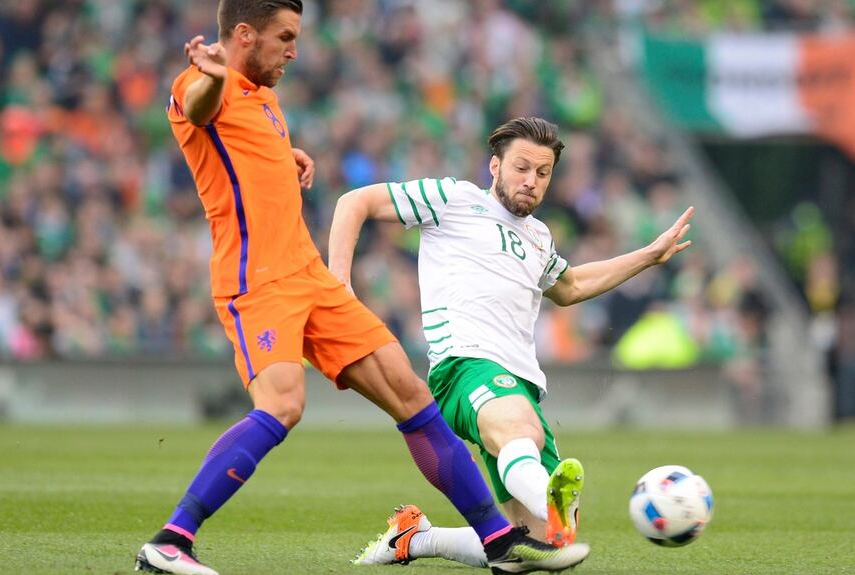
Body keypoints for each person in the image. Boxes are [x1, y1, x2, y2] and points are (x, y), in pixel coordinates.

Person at [135, 4, 589, 574]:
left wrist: (286, 158)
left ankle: (500, 540)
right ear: (243, 35)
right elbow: (198, 111)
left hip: (309, 273)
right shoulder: (201, 82)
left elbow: (244, 151)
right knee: (282, 406)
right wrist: (212, 74)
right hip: (258, 279)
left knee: (411, 395)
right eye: (285, 37)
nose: (294, 50)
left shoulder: (264, 96)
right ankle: (172, 540)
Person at [329, 117, 694, 568]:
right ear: (495, 166)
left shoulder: (539, 237)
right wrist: (339, 283)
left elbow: (573, 286)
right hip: (464, 366)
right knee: (521, 431)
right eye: (522, 168)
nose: (531, 181)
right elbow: (354, 202)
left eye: (543, 173)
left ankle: (416, 538)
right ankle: (549, 498)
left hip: (520, 384)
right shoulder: (454, 199)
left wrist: (649, 256)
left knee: (532, 549)